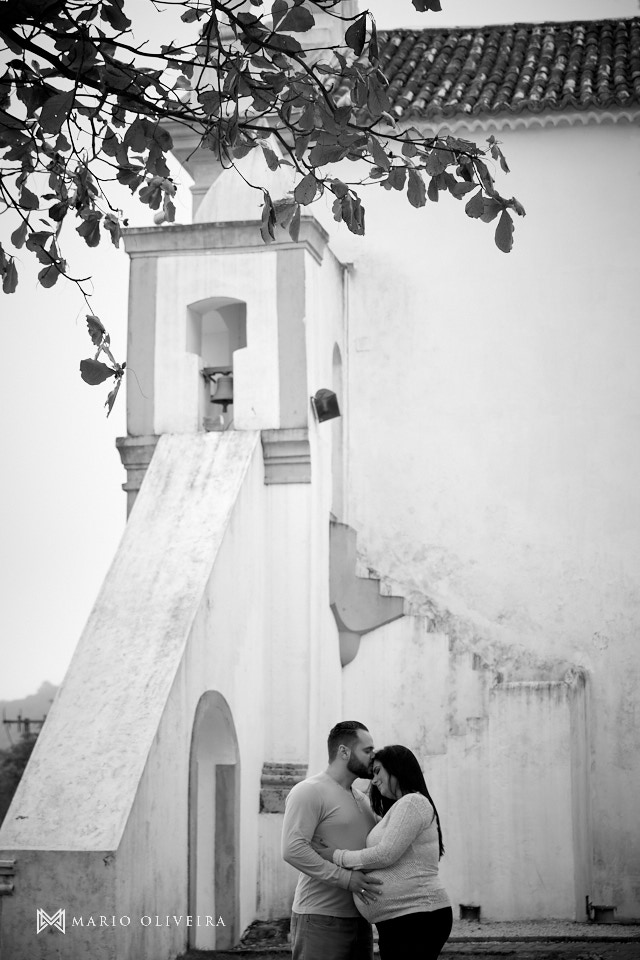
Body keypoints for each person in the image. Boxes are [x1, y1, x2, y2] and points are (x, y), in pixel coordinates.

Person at [311, 744, 452, 960]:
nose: (374, 780)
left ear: (397, 768)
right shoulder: (400, 808)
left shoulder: (412, 802)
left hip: (418, 916)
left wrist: (336, 856)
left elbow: (385, 854)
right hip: (402, 919)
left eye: (377, 772)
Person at [282, 720, 383, 960]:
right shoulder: (309, 791)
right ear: (344, 752)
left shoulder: (364, 799)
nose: (373, 757)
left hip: (360, 919)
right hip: (320, 918)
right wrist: (346, 879)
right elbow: (293, 850)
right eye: (367, 751)